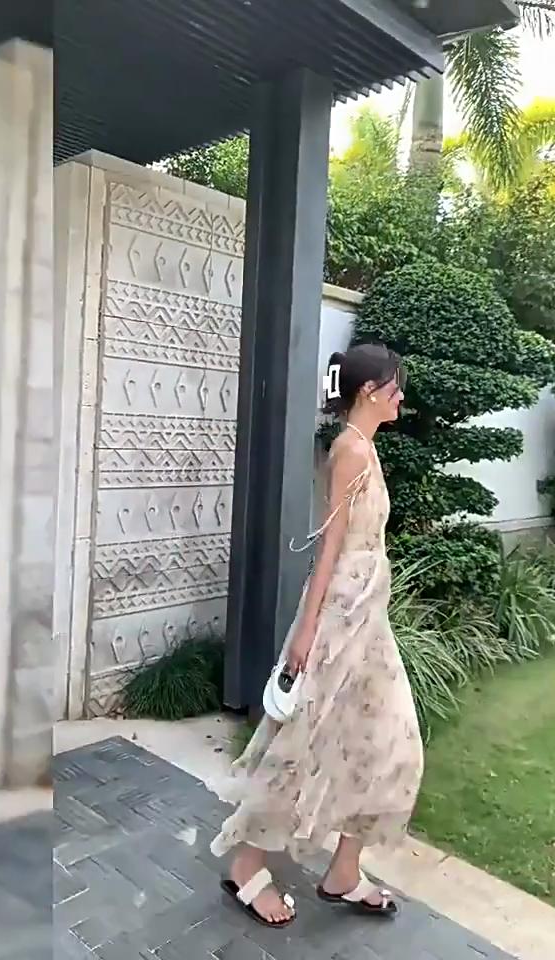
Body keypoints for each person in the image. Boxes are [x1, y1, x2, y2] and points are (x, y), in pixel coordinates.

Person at [209, 343, 424, 928]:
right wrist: (306, 632)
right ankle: (246, 866)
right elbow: (330, 547)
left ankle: (344, 872)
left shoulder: (366, 448)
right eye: (394, 387)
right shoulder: (349, 451)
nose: (401, 396)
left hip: (368, 622)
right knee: (302, 743)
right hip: (339, 620)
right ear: (368, 392)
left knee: (389, 742)